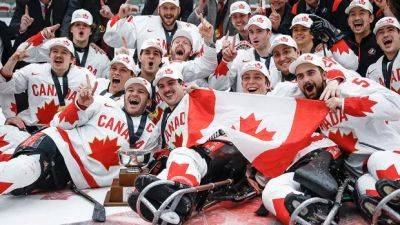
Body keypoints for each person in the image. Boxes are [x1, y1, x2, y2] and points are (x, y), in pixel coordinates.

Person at [262, 53, 400, 224]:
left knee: (378, 160)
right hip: (359, 175)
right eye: (300, 76)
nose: (305, 80)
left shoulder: (349, 87)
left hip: (389, 155)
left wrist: (344, 103)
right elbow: (267, 101)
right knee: (366, 189)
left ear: (325, 75)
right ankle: (311, 216)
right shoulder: (302, 98)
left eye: (311, 73)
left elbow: (396, 105)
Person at [127, 64, 248, 224]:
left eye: (171, 83)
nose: (167, 89)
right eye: (162, 86)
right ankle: (176, 213)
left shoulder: (194, 97)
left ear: (182, 84)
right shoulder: (162, 119)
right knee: (139, 194)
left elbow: (226, 108)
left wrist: (202, 95)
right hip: (189, 166)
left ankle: (184, 196)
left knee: (180, 154)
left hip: (218, 157)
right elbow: (148, 150)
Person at [0, 76, 159, 195]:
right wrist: (79, 105)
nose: (134, 94)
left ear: (149, 102)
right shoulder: (103, 102)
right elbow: (58, 123)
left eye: (141, 91)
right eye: (130, 90)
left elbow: (138, 169)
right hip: (57, 148)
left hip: (66, 177)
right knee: (23, 170)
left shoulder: (152, 132)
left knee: (17, 189)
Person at [0, 26, 95, 132]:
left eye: (64, 52)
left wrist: (86, 98)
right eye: (55, 51)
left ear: (72, 60)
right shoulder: (33, 70)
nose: (58, 55)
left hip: (65, 133)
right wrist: (13, 59)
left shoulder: (85, 76)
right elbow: (4, 86)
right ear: (49, 55)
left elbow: (93, 108)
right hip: (30, 129)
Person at [103, 0, 203, 60]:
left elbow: (201, 62)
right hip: (146, 81)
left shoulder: (190, 29)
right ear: (159, 9)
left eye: (172, 8)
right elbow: (111, 39)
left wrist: (208, 40)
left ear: (179, 10)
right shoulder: (142, 23)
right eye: (165, 8)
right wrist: (120, 17)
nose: (168, 12)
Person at [209, 15, 275, 92]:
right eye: (251, 32)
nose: (254, 36)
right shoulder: (240, 56)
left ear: (269, 33)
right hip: (244, 103)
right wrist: (225, 61)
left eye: (259, 31)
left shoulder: (280, 59)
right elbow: (216, 87)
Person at [68, 9, 110, 78]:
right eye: (77, 24)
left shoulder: (101, 58)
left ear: (91, 31)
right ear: (71, 29)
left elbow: (111, 82)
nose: (81, 27)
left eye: (85, 25)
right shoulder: (60, 52)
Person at [366, 16, 400, 94]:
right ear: (377, 40)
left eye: (390, 30)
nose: (385, 35)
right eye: (381, 32)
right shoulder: (371, 70)